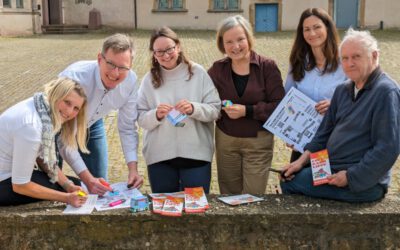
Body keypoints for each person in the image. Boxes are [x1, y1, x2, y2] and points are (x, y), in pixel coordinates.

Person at [280, 28, 400, 203]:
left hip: (364, 182)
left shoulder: (386, 92)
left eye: (356, 57)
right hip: (331, 167)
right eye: (345, 58)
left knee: (292, 184)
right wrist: (301, 162)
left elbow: (387, 149)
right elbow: (323, 134)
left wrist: (351, 176)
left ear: (374, 56)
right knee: (289, 175)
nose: (349, 63)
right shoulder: (343, 89)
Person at [137, 26, 220, 193]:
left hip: (196, 156)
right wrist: (156, 115)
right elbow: (140, 118)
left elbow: (215, 109)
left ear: (178, 46)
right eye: (159, 52)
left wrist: (193, 108)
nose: (165, 55)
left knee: (196, 212)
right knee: (165, 213)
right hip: (160, 158)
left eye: (169, 49)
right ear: (154, 54)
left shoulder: (198, 73)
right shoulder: (148, 80)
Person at [208, 15, 285, 195]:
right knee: (229, 196)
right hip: (226, 141)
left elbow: (280, 106)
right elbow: (205, 99)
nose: (235, 46)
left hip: (258, 141)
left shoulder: (267, 67)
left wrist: (247, 111)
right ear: (222, 44)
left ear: (249, 38)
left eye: (240, 39)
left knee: (253, 196)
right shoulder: (217, 69)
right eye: (229, 42)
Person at [59, 33, 143, 192]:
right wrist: (87, 179)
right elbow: (64, 140)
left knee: (100, 183)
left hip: (93, 122)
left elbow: (127, 127)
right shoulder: (75, 78)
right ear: (99, 59)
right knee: (53, 180)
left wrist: (133, 169)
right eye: (110, 64)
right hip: (59, 125)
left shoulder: (131, 81)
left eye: (123, 67)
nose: (115, 73)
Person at [0, 78, 89, 207]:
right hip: (6, 182)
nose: (70, 112)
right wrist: (67, 198)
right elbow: (20, 185)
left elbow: (42, 157)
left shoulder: (40, 106)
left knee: (75, 185)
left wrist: (68, 185)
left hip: (9, 175)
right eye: (67, 102)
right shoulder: (32, 126)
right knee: (76, 188)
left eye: (76, 108)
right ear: (56, 95)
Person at [285, 8, 347, 162]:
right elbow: (288, 98)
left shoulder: (345, 60)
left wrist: (334, 104)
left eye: (317, 27)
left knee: (324, 181)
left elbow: (358, 96)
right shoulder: (297, 61)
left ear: (327, 28)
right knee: (294, 181)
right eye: (307, 29)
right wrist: (289, 132)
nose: (312, 33)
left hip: (335, 140)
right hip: (303, 139)